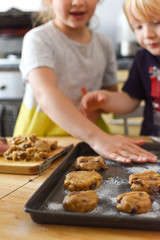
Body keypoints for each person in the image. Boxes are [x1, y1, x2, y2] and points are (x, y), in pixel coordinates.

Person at [13, 0, 156, 163]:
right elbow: (45, 93)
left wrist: (100, 105)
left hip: (94, 137)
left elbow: (110, 98)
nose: (78, 2)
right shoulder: (38, 38)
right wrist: (97, 138)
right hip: (43, 136)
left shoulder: (104, 43)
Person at [80, 0, 160, 137]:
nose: (147, 34)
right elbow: (130, 99)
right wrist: (105, 100)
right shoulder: (143, 58)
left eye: (157, 23)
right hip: (153, 142)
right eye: (138, 27)